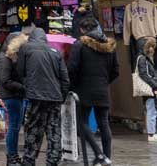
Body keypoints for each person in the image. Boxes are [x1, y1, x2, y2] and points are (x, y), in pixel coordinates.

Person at [67, 17, 119, 165]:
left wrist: (73, 86)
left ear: (82, 30)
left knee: (81, 123)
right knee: (103, 123)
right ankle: (107, 157)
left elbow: (72, 69)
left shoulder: (80, 45)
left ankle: (99, 154)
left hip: (83, 90)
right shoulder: (109, 46)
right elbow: (116, 70)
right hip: (102, 90)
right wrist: (104, 82)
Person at [18, 28, 70, 166]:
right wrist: (61, 97)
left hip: (35, 95)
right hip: (54, 97)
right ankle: (53, 159)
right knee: (53, 128)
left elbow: (21, 71)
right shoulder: (55, 52)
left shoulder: (25, 48)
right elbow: (65, 79)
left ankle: (29, 159)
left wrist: (27, 88)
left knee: (33, 127)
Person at [0, 33, 28, 166]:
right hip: (11, 96)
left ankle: (13, 156)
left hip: (14, 95)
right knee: (13, 127)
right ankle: (12, 156)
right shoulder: (5, 59)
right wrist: (22, 87)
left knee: (15, 127)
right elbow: (5, 80)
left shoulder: (9, 57)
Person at [134, 37, 157, 143]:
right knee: (151, 110)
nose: (152, 49)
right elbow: (144, 74)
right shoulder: (143, 58)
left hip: (151, 87)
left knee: (152, 110)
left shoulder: (145, 58)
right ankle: (151, 134)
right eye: (150, 46)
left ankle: (153, 133)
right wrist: (154, 86)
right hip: (149, 88)